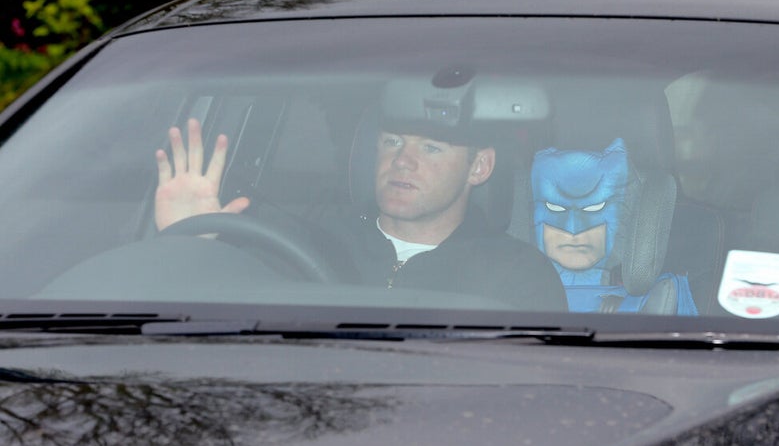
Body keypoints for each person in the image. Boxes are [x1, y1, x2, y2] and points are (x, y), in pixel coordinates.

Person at [154, 101, 568, 312]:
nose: (402, 160)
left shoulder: (518, 278)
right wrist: (192, 249)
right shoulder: (303, 244)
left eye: (430, 147)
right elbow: (213, 340)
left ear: (479, 166)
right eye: (391, 142)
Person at [530, 137, 697, 314]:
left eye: (594, 208)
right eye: (555, 208)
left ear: (625, 214)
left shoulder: (661, 300)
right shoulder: (506, 291)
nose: (573, 228)